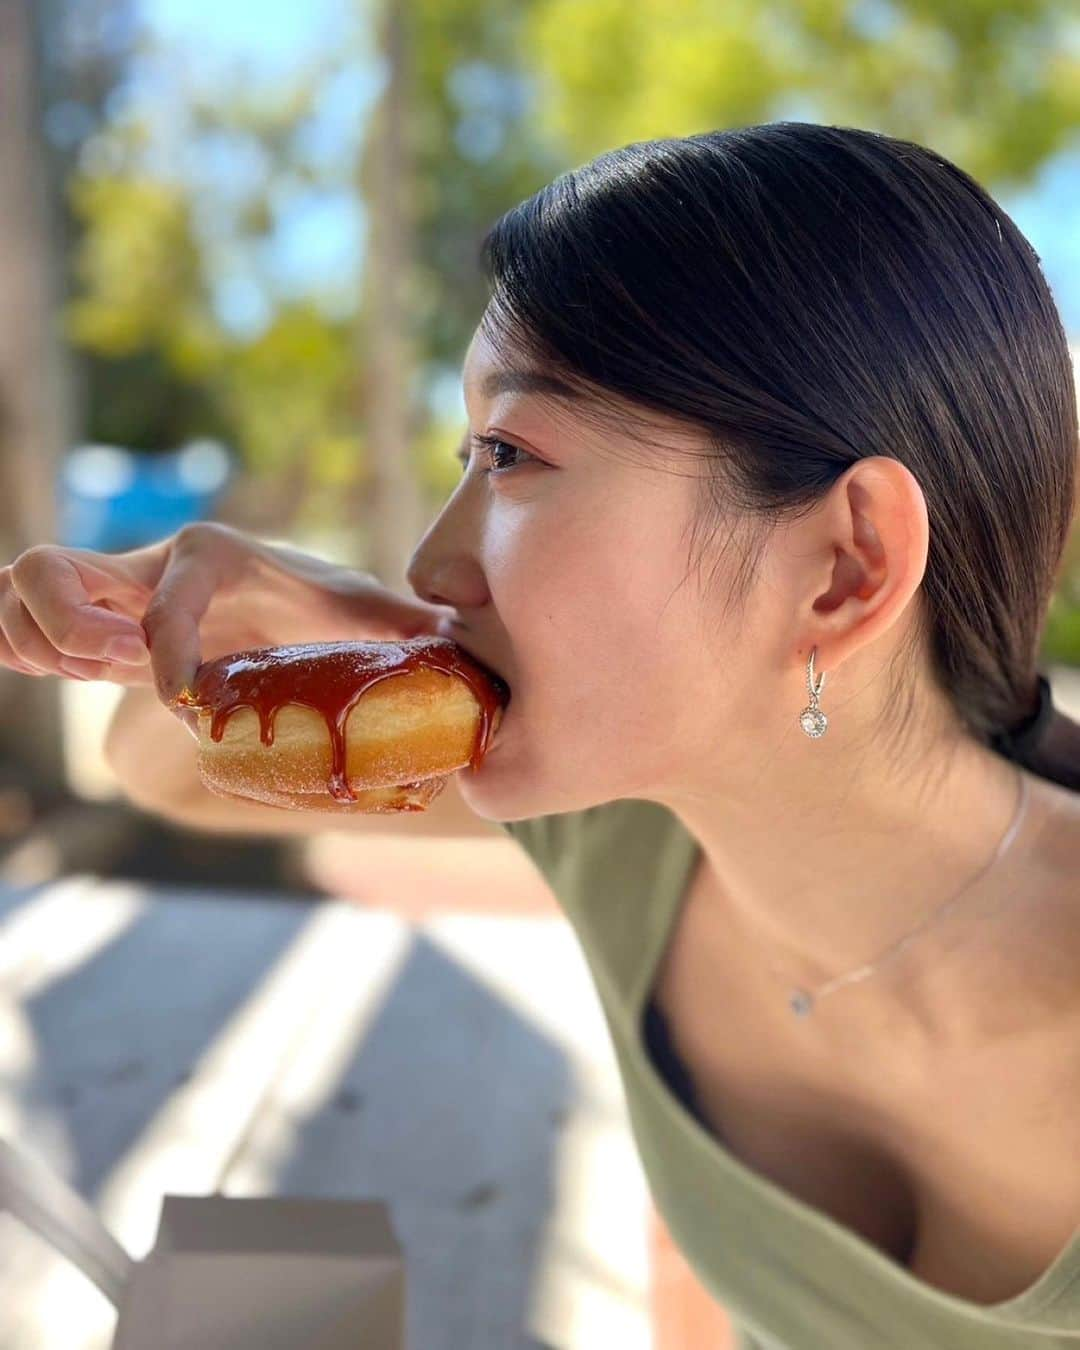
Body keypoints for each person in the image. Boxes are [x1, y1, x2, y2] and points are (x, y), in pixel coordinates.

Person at [4, 121, 1080, 1349]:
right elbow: (168, 773)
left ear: (847, 565)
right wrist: (300, 627)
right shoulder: (623, 829)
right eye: (467, 455)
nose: (431, 562)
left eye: (510, 455)